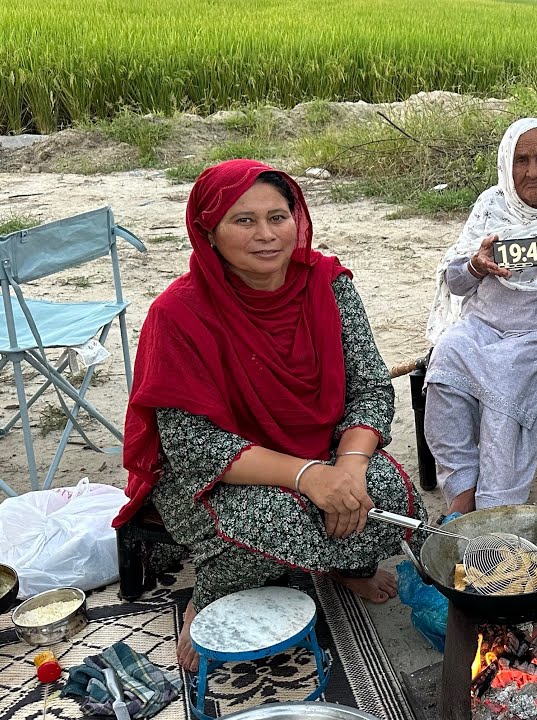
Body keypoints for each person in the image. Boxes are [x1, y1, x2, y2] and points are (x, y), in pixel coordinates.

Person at [113, 159, 426, 671]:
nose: (266, 235)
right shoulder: (179, 313)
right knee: (271, 521)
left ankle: (345, 565)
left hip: (323, 446)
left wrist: (346, 467)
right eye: (244, 220)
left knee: (387, 495)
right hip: (223, 472)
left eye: (278, 217)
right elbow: (193, 446)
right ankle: (208, 595)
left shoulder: (328, 284)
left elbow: (369, 386)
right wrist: (309, 477)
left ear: (297, 220)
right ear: (208, 231)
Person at [424, 118, 537, 515]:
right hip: (481, 324)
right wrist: (476, 264)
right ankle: (461, 495)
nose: (533, 171)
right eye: (521, 160)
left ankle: (495, 507)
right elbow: (455, 282)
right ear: (507, 165)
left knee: (505, 380)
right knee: (446, 359)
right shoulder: (491, 205)